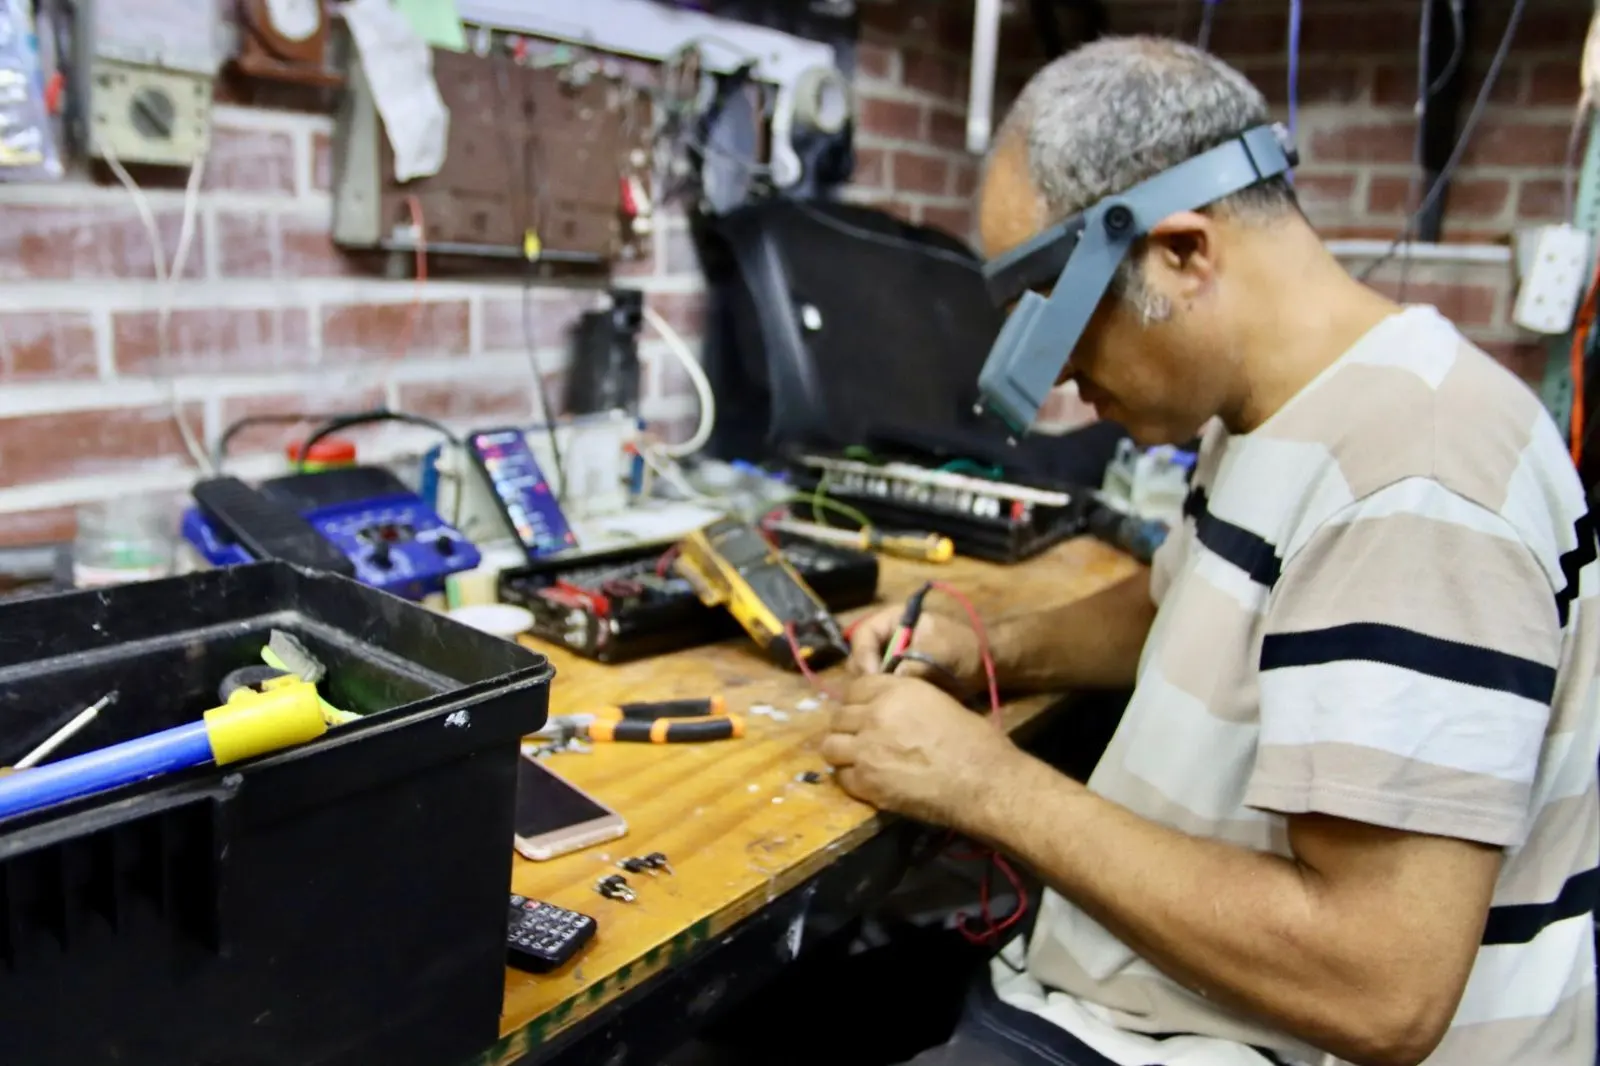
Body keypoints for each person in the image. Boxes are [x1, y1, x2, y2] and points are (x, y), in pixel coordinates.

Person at [825, 36, 1599, 1066]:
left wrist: (982, 783)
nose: (1069, 388)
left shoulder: (1418, 479)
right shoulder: (1286, 407)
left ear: (1181, 253)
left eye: (1069, 338)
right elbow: (1187, 603)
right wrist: (989, 650)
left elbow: (1379, 985)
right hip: (1131, 1001)